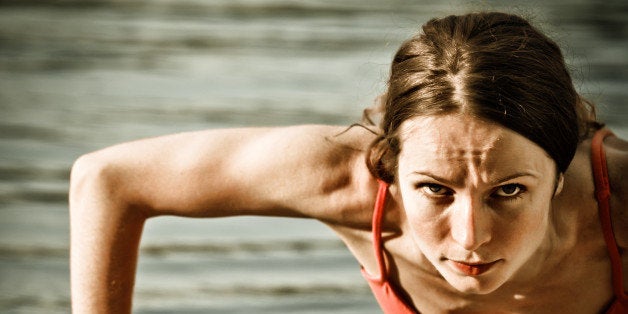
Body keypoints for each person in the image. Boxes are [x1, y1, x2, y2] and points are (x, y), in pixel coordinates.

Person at [69, 11, 627, 313]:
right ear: (390, 165)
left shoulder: (618, 207)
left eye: (507, 191)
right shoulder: (343, 182)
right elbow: (109, 179)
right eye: (435, 189)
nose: (471, 236)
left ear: (560, 174)